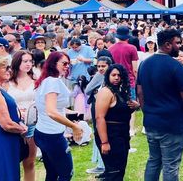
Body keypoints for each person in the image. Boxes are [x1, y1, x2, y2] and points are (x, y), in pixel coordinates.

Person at [137, 29, 183, 181]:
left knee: (154, 161)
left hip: (151, 122)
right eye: (177, 43)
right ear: (168, 45)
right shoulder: (176, 67)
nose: (180, 46)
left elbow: (140, 92)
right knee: (170, 165)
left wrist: (147, 112)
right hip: (172, 124)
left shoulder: (144, 64)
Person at [34, 51, 84, 181]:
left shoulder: (48, 80)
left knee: (52, 173)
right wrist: (74, 126)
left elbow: (51, 106)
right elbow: (51, 111)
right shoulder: (52, 82)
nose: (67, 66)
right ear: (53, 63)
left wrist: (68, 112)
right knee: (66, 173)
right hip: (52, 135)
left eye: (69, 63)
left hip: (43, 132)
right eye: (64, 63)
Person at [95, 64, 140, 180]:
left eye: (119, 75)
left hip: (122, 134)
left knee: (119, 170)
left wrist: (135, 106)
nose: (116, 78)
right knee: (114, 171)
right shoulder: (105, 92)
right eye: (113, 75)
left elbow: (119, 115)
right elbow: (99, 118)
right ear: (108, 76)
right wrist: (104, 142)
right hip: (111, 135)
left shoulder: (120, 92)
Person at [7, 50, 37, 181]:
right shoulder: (7, 80)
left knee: (30, 161)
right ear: (17, 61)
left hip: (32, 122)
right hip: (13, 123)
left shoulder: (35, 78)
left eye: (30, 61)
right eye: (25, 61)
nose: (28, 64)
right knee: (12, 162)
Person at [108, 26, 139, 135]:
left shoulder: (111, 49)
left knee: (116, 104)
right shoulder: (132, 48)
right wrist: (136, 80)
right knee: (131, 104)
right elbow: (135, 68)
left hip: (114, 80)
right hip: (128, 80)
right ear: (127, 37)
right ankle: (130, 129)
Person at [85, 56, 113, 176]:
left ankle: (105, 166)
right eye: (98, 66)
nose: (101, 69)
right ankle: (102, 165)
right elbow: (87, 90)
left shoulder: (112, 75)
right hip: (97, 107)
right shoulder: (99, 76)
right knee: (99, 135)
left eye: (103, 66)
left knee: (104, 135)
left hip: (109, 109)